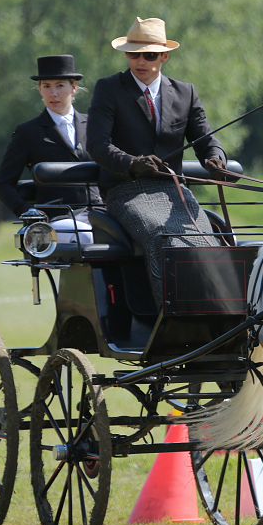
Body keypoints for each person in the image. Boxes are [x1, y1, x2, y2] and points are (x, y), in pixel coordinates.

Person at [87, 17, 228, 310]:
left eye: (149, 54)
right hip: (126, 189)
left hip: (173, 191)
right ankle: (172, 315)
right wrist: (132, 163)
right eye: (133, 54)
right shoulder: (109, 89)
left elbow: (206, 140)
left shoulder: (185, 92)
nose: (141, 61)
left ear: (164, 55)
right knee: (161, 236)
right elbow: (97, 145)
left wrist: (216, 159)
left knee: (206, 240)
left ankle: (221, 313)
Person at [0, 55, 102, 243]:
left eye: (60, 85)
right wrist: (27, 211)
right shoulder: (28, 132)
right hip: (57, 218)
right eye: (46, 86)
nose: (53, 93)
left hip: (99, 212)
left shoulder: (95, 126)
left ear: (73, 87)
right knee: (84, 236)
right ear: (39, 89)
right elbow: (2, 184)